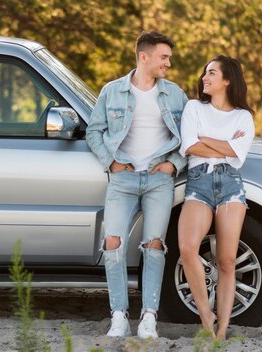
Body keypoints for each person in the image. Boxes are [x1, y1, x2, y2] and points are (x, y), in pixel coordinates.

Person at [86, 31, 188, 339]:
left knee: (154, 247)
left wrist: (174, 164)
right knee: (113, 244)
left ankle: (148, 318)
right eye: (164, 57)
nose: (168, 63)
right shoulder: (112, 91)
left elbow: (189, 136)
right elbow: (94, 131)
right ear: (144, 57)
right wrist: (111, 162)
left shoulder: (174, 94)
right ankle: (118, 315)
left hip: (159, 181)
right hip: (123, 178)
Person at [177, 55, 255, 340]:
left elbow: (238, 152)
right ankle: (206, 317)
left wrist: (205, 139)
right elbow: (189, 145)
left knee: (226, 260)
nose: (204, 78)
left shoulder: (243, 117)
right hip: (198, 183)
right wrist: (224, 145)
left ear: (227, 80)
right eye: (204, 73)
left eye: (211, 73)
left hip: (231, 186)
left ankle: (221, 329)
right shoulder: (194, 107)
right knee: (187, 249)